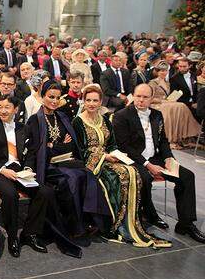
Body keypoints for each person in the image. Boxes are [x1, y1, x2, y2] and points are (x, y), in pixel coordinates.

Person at [72, 85, 171, 248]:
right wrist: (104, 157)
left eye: (95, 100)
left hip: (111, 159)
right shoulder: (78, 122)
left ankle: (133, 218)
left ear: (100, 102)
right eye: (88, 100)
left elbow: (112, 144)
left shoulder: (105, 119)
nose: (91, 103)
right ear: (83, 101)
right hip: (93, 164)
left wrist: (116, 154)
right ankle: (116, 223)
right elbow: (80, 150)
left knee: (133, 171)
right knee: (122, 176)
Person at [112, 84, 204, 243]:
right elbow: (124, 146)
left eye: (145, 97)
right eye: (138, 96)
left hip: (156, 158)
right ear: (133, 95)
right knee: (145, 178)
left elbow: (163, 142)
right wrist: (148, 165)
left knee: (188, 176)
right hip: (135, 160)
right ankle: (150, 214)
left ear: (151, 99)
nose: (141, 100)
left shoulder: (157, 115)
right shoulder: (121, 115)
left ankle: (185, 223)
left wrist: (169, 158)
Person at [26, 81, 110, 238]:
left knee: (87, 174)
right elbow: (39, 151)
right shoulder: (34, 120)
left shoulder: (62, 116)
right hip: (46, 166)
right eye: (51, 97)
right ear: (42, 97)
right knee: (72, 178)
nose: (54, 101)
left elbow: (71, 146)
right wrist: (56, 146)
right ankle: (74, 227)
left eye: (58, 98)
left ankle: (92, 220)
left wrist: (53, 146)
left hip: (66, 161)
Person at [0, 94, 56, 258]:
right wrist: (2, 170)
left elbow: (31, 153)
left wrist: (27, 168)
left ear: (15, 109)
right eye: (0, 107)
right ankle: (12, 237)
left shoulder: (24, 128)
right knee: (10, 194)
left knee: (44, 192)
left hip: (20, 171)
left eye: (7, 107)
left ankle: (29, 233)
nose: (3, 111)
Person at [148, 62, 201, 148]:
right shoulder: (152, 83)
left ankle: (183, 136)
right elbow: (150, 98)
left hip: (168, 104)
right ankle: (169, 139)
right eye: (161, 71)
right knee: (174, 107)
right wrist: (162, 101)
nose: (163, 73)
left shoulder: (168, 82)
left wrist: (173, 97)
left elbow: (169, 97)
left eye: (165, 71)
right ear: (157, 71)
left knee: (181, 106)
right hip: (156, 105)